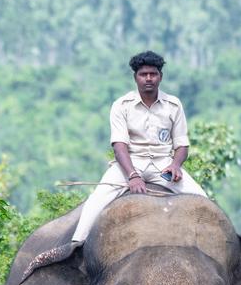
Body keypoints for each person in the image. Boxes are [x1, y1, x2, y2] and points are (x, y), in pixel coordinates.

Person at [71, 50, 208, 243]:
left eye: (153, 74)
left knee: (203, 201)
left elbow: (182, 145)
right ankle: (75, 246)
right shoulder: (122, 105)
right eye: (143, 74)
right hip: (129, 163)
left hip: (164, 166)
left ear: (161, 76)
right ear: (135, 77)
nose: (148, 78)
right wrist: (133, 175)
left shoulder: (174, 105)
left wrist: (175, 165)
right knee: (96, 202)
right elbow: (119, 147)